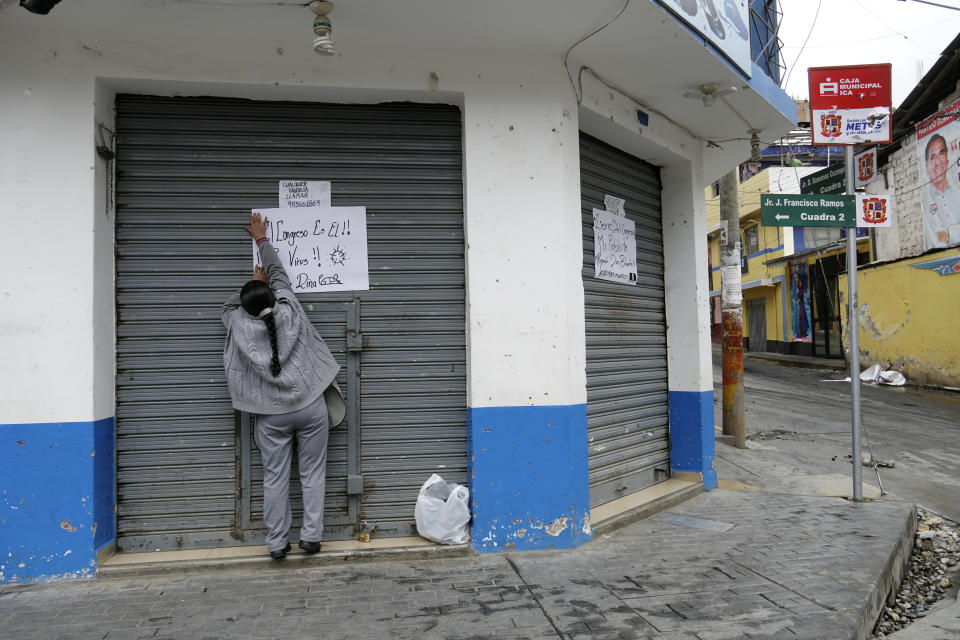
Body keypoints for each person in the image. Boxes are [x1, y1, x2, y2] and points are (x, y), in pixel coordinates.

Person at [222, 212, 346, 559]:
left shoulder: (237, 324)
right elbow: (280, 276)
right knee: (312, 472)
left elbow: (229, 305)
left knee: (274, 478)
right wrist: (262, 241)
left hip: (270, 415)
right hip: (310, 406)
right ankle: (311, 537)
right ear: (275, 298)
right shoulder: (291, 310)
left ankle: (276, 543)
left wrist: (251, 283)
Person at [920, 134, 960, 250]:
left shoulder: (958, 190)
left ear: (947, 158)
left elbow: (944, 237)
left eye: (941, 154)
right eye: (932, 157)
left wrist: (949, 234)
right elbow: (939, 240)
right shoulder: (926, 202)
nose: (938, 162)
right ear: (926, 166)